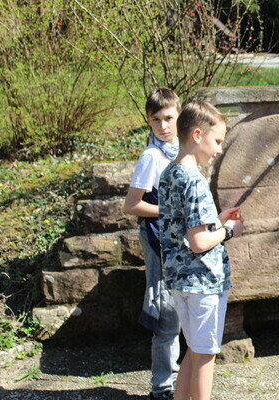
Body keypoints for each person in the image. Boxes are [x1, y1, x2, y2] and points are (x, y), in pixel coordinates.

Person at [158, 101, 244, 400]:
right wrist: (229, 231)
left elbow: (184, 227)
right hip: (203, 282)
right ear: (197, 135)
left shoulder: (170, 173)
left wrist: (216, 221)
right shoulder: (194, 180)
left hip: (180, 281)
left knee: (193, 353)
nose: (219, 149)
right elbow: (198, 243)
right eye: (217, 141)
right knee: (205, 356)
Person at [123, 88, 182, 400]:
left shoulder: (183, 149)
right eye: (156, 120)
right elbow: (132, 204)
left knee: (183, 308)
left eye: (169, 118)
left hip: (182, 241)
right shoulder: (152, 157)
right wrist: (170, 210)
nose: (163, 125)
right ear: (148, 122)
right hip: (159, 239)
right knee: (166, 314)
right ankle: (162, 388)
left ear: (179, 116)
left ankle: (177, 380)